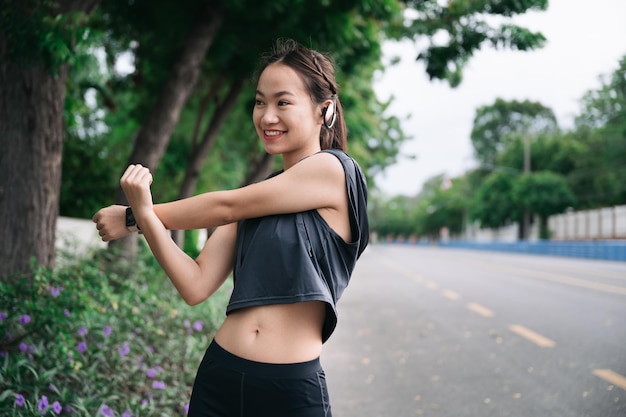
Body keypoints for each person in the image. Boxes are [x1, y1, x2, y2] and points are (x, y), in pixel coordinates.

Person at [92, 38, 369, 417]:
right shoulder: (259, 197)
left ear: (325, 110)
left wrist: (133, 218)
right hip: (220, 377)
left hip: (288, 391)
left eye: (283, 102)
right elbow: (195, 284)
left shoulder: (334, 170)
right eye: (260, 101)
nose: (267, 116)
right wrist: (143, 216)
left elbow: (225, 206)